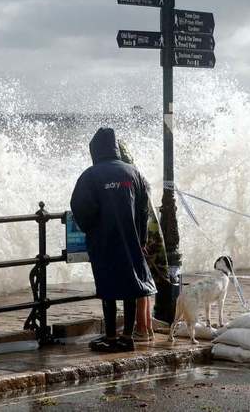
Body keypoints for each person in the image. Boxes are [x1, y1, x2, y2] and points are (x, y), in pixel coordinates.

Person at [70, 128, 156, 352]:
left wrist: (92, 229)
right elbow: (144, 209)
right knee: (131, 287)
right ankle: (127, 337)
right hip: (132, 241)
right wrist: (142, 239)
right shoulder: (133, 173)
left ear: (95, 150)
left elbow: (79, 207)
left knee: (107, 288)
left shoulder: (90, 175)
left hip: (104, 241)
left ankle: (110, 336)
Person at [117, 140, 169, 342]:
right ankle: (146, 329)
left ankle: (141, 328)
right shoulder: (138, 175)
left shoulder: (127, 177)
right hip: (151, 233)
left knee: (138, 284)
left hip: (143, 236)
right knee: (144, 282)